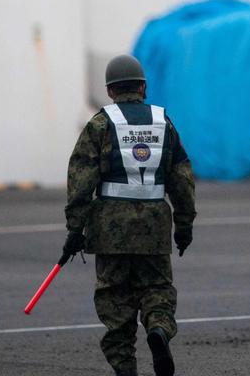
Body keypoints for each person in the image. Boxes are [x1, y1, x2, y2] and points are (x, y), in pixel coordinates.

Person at [62, 54, 196, 376]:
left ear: (110, 91)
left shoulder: (99, 124)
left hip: (110, 231)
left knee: (115, 303)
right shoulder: (164, 122)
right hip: (154, 228)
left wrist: (75, 229)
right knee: (157, 289)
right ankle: (158, 329)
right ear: (143, 86)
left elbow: (80, 180)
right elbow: (182, 177)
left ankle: (126, 368)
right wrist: (185, 223)